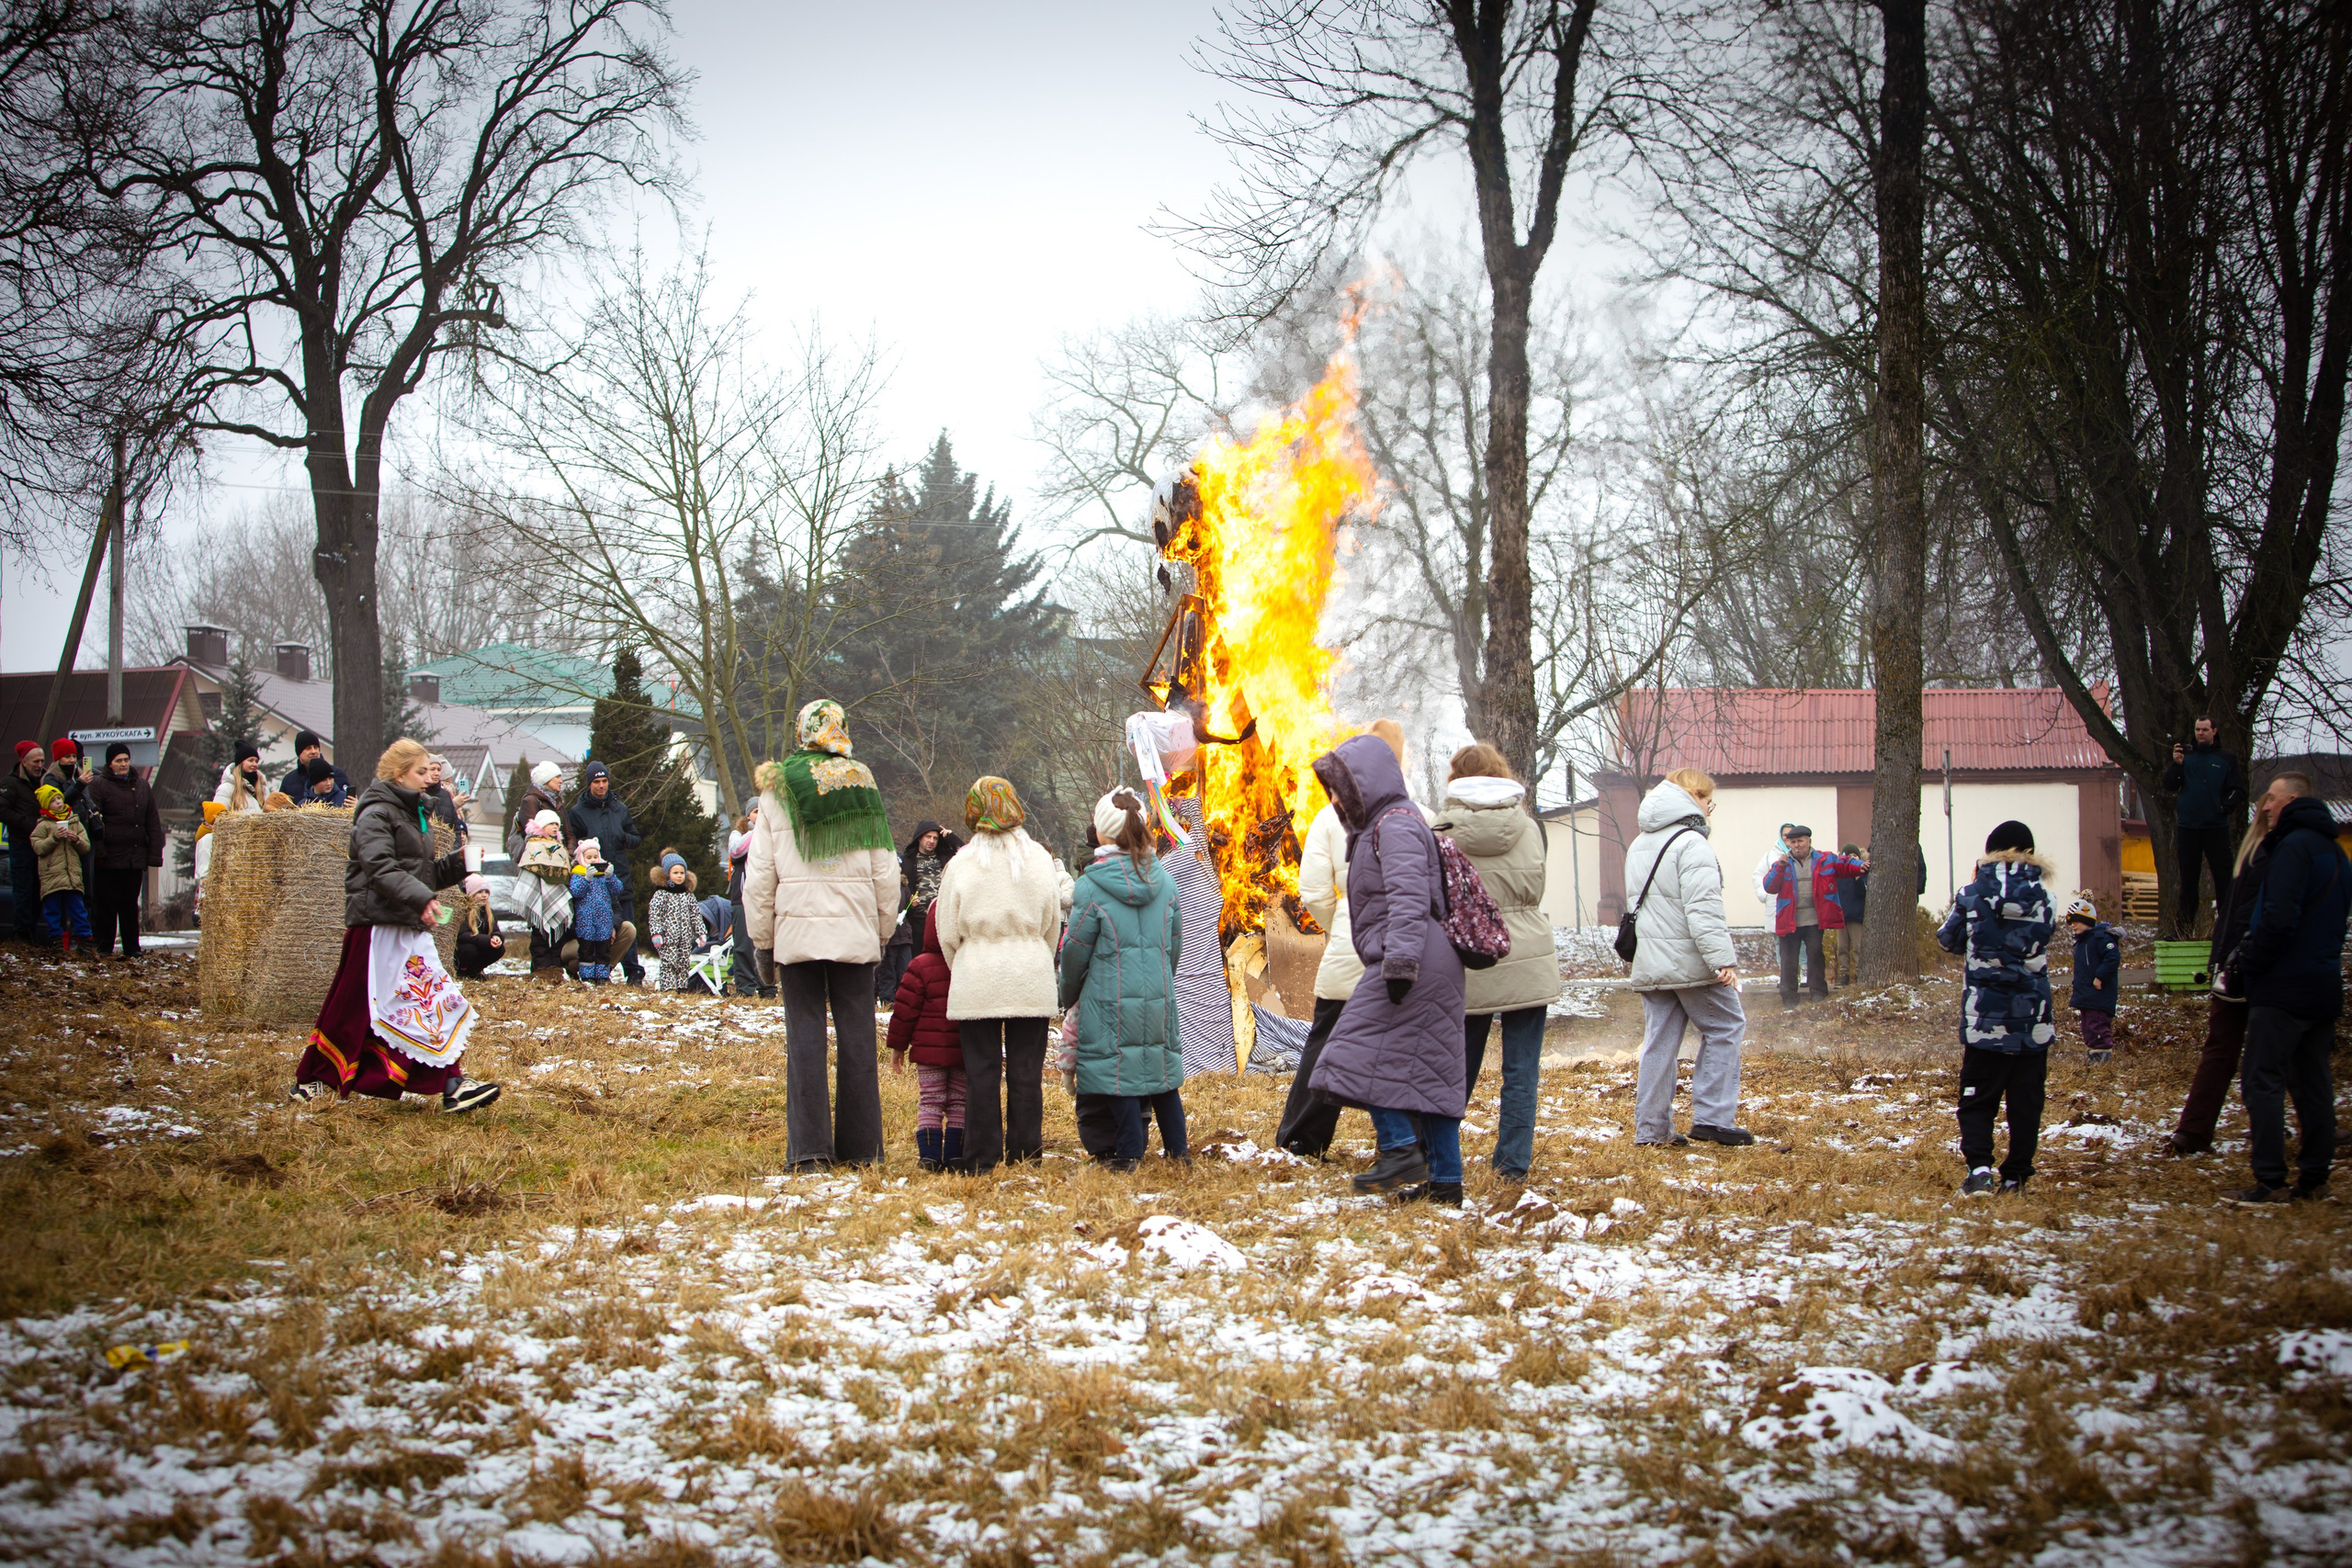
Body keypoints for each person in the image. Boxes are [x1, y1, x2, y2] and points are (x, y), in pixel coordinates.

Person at [1304, 732, 1470, 1205]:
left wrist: (1398, 962)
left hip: (1412, 957)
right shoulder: (1388, 822)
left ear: (1363, 783)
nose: (1333, 798)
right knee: (1429, 1075)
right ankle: (1445, 1184)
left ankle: (1399, 1150)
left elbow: (1409, 897)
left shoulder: (1394, 824)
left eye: (1339, 787)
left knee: (1348, 1053)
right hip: (1424, 957)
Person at [291, 739, 498, 1111]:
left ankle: (451, 1083)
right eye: (421, 771)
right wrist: (421, 899)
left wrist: (457, 864)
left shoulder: (416, 813)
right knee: (352, 1008)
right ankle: (315, 1079)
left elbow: (422, 873)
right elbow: (379, 867)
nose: (428, 778)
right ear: (399, 773)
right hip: (376, 926)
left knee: (432, 1000)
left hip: (407, 926)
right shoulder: (375, 813)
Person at [744, 700, 899, 1171]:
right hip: (854, 930)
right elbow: (885, 871)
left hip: (797, 931)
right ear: (842, 730)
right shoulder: (862, 784)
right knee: (857, 1039)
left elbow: (761, 875)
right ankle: (862, 1149)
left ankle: (808, 1152)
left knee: (805, 1039)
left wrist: (763, 941)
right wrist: (883, 931)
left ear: (801, 732)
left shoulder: (777, 787)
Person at [1277, 720, 1413, 1157]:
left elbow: (1314, 891)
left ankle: (1302, 1139)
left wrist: (1344, 923)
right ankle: (1409, 1145)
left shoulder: (1328, 818)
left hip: (1349, 953)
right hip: (1406, 956)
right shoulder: (1419, 813)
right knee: (1402, 1053)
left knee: (1327, 1046)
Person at [2214, 773, 2346, 1205]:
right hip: (2323, 986)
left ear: (2291, 801)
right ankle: (2314, 1180)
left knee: (2261, 1080)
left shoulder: (2291, 849)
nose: (2264, 807)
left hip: (2284, 988)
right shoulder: (2336, 853)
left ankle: (2270, 1181)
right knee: (2313, 1083)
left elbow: (2277, 919)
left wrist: (2246, 964)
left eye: (2271, 798)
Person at [1432, 743, 1559, 1182]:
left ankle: (1441, 1160)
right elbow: (1537, 887)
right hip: (1527, 954)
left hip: (1467, 961)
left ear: (1456, 779)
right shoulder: (1529, 827)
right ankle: (1512, 1167)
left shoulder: (1440, 829)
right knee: (1521, 1072)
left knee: (1455, 1070)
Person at [935, 774, 1062, 1172]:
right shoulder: (1039, 858)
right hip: (1030, 974)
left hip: (977, 977)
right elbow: (1052, 925)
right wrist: (1033, 954)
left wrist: (968, 964)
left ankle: (980, 1158)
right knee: (1027, 1074)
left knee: (981, 1075)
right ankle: (1026, 1156)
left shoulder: (960, 864)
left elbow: (946, 932)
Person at [1060, 788, 1187, 1169]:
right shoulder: (1165, 881)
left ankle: (1129, 1153)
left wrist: (1070, 994)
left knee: (1119, 1073)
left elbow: (1075, 951)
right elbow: (1175, 942)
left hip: (1107, 999)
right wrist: (1162, 979)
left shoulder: (1091, 885)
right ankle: (1179, 1153)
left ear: (1102, 833)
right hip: (1158, 995)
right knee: (1162, 1076)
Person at [1624, 769, 1750, 1147]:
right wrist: (1722, 960)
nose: (1709, 808)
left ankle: (1651, 1130)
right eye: (1707, 800)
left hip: (1652, 959)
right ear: (1692, 796)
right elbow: (1703, 910)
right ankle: (1713, 1117)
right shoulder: (1692, 843)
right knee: (1726, 1026)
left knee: (1659, 1043)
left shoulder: (1639, 843)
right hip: (1690, 962)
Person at [1937, 819, 2057, 1197]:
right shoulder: (2045, 899)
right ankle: (2016, 1176)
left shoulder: (1971, 893)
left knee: (1977, 1100)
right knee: (2026, 1103)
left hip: (1985, 1018)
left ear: (1990, 853)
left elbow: (1947, 940)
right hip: (2032, 1020)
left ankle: (1979, 1172)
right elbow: (2044, 935)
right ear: (2030, 852)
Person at [2164, 801, 2277, 1157]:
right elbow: (2239, 916)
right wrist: (2228, 960)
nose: (2267, 805)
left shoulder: (2271, 852)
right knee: (2252, 1053)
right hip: (2245, 965)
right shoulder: (2259, 852)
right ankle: (2194, 1132)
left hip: (2248, 964)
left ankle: (2195, 1131)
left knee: (2256, 1055)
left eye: (2274, 799)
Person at [886, 905, 966, 1170]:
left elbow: (904, 1011)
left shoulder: (919, 966)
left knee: (930, 1101)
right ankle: (955, 1156)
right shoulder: (968, 965)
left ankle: (929, 1156)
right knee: (959, 1102)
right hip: (964, 1052)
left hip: (928, 1054)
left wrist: (898, 1046)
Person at [2160, 716, 2248, 936]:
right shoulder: (2186, 757)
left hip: (2215, 827)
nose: (2200, 733)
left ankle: (2227, 929)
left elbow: (2239, 790)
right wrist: (2176, 764)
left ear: (2214, 731)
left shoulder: (2225, 758)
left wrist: (2223, 807)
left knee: (2223, 879)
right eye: (2197, 729)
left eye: (2205, 730)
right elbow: (2169, 785)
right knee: (2188, 881)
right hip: (2188, 827)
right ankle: (2183, 930)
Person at [1762, 826, 1867, 1008]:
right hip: (1789, 921)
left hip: (1814, 921)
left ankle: (1818, 994)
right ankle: (1789, 999)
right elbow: (1769, 886)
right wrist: (1779, 867)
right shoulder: (1783, 863)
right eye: (1793, 842)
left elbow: (1844, 864)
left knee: (1815, 956)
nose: (1797, 845)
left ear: (1809, 841)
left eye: (1800, 841)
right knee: (1788, 960)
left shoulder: (1824, 859)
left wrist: (1860, 866)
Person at [568, 761, 646, 985]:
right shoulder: (578, 812)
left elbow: (636, 838)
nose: (601, 786)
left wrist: (623, 837)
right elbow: (574, 847)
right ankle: (589, 970)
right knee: (592, 928)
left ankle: (633, 973)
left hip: (619, 876)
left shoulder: (619, 808)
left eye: (604, 781)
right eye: (596, 782)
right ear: (589, 784)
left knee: (625, 925)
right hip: (591, 882)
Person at [87, 742, 164, 960]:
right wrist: (100, 852)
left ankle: (133, 948)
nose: (123, 764)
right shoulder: (99, 786)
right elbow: (94, 822)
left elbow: (152, 822)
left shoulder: (142, 786)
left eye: (126, 760)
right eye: (118, 760)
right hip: (109, 858)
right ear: (110, 763)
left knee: (130, 905)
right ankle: (104, 947)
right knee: (107, 904)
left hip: (134, 856)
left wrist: (154, 854)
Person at [886, 820, 960, 1002]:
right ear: (919, 837)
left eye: (935, 838)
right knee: (918, 963)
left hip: (944, 919)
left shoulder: (946, 857)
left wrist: (951, 838)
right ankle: (918, 999)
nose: (932, 841)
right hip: (917, 920)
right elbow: (897, 886)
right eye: (928, 837)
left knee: (945, 962)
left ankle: (946, 996)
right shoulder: (907, 860)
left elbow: (967, 854)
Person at [30, 785, 91, 953]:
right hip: (52, 877)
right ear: (45, 805)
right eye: (53, 801)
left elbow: (86, 846)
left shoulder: (74, 821)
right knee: (53, 912)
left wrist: (76, 839)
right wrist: (54, 838)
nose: (58, 802)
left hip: (72, 877)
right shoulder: (42, 826)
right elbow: (39, 848)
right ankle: (57, 943)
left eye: (58, 798)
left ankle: (85, 942)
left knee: (79, 911)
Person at [2064, 897, 2120, 1065]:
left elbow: (2112, 958)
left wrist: (2100, 976)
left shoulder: (2101, 938)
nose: (2073, 925)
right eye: (2071, 922)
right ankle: (2093, 1057)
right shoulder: (2081, 942)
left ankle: (2102, 1061)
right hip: (2087, 995)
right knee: (2088, 1028)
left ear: (2088, 920)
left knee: (2098, 1027)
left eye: (2077, 921)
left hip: (2099, 995)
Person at [726, 802, 771, 998]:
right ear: (748, 816)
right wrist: (757, 831)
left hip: (764, 898)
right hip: (741, 899)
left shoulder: (773, 834)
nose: (760, 815)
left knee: (765, 943)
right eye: (756, 811)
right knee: (743, 945)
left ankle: (768, 988)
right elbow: (736, 851)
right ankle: (745, 988)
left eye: (763, 811)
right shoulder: (738, 834)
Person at [4, 741, 47, 945]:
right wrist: (27, 824)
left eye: (42, 761)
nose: (40, 765)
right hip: (21, 844)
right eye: (36, 761)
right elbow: (2, 811)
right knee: (23, 890)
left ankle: (33, 932)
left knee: (38, 890)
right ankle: (22, 935)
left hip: (42, 846)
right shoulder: (10, 784)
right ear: (24, 761)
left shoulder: (45, 781)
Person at [645, 851, 704, 993]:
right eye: (675, 873)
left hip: (685, 937)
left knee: (683, 962)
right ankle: (669, 987)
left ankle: (682, 987)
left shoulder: (688, 895)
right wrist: (656, 933)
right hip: (667, 937)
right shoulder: (661, 894)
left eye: (682, 873)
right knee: (669, 962)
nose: (679, 876)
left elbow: (695, 914)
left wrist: (701, 933)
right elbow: (654, 915)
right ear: (667, 874)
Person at [568, 838, 619, 983]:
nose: (592, 860)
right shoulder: (578, 873)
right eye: (588, 857)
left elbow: (617, 889)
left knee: (603, 951)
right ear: (582, 858)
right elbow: (576, 892)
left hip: (604, 921)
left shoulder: (604, 875)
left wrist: (610, 877)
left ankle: (602, 977)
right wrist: (586, 878)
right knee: (586, 951)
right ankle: (587, 977)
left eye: (595, 857)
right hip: (586, 922)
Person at [1832, 843, 1871, 986]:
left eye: (1854, 856)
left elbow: (1863, 894)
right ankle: (1844, 974)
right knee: (1842, 948)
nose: (1851, 859)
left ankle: (1860, 973)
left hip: (1856, 916)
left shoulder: (1863, 873)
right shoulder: (1839, 874)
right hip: (1842, 916)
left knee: (1858, 947)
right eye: (1848, 856)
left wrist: (1858, 879)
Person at [279, 730, 350, 806]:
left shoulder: (336, 773)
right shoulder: (288, 780)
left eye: (316, 747)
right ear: (299, 753)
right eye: (308, 748)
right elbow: (280, 808)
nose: (313, 751)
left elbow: (348, 803)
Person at [453, 891, 504, 978]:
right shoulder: (464, 911)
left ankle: (474, 971)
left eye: (487, 892)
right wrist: (487, 940)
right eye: (480, 892)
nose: (484, 895)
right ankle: (461, 971)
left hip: (481, 945)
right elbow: (462, 935)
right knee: (470, 949)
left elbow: (496, 930)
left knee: (500, 949)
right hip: (463, 950)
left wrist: (497, 937)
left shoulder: (489, 912)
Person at [213, 741, 268, 813]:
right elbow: (217, 817)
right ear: (240, 763)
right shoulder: (227, 788)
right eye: (250, 760)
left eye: (256, 761)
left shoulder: (264, 790)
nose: (255, 764)